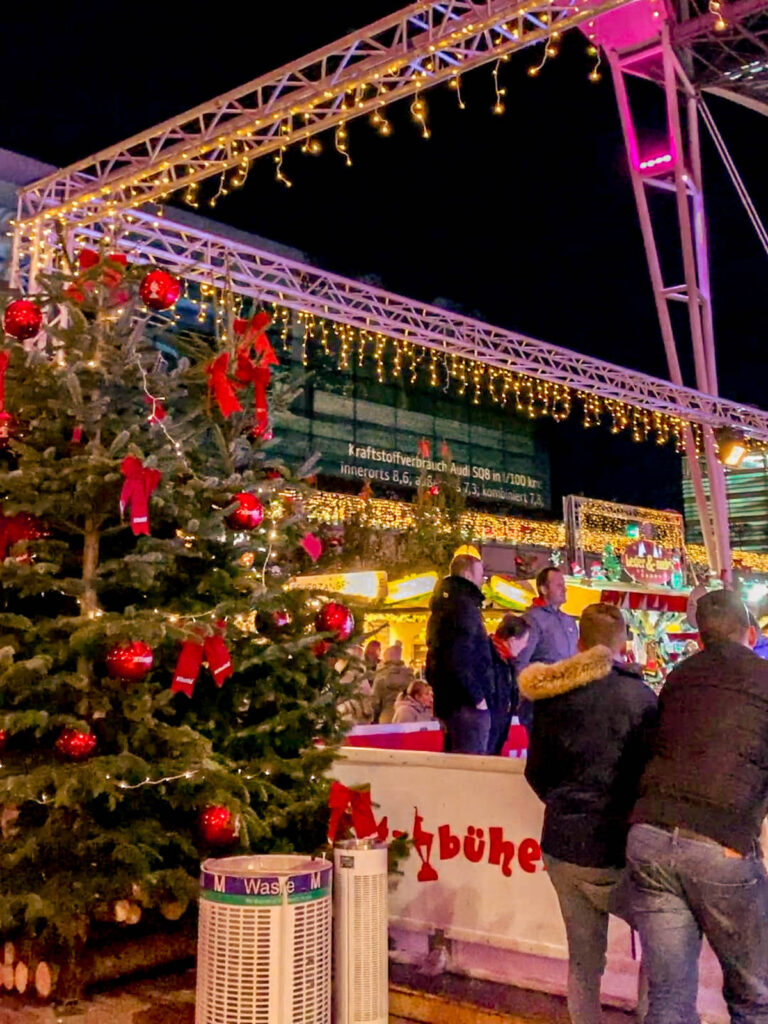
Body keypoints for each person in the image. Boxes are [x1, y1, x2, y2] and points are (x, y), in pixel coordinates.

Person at [627, 589, 768, 1024]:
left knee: (668, 997)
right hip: (719, 842)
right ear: (750, 631)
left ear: (701, 638)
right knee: (755, 996)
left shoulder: (679, 676)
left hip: (648, 835)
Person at [520, 602, 657, 1024]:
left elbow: (535, 772)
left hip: (561, 846)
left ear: (578, 642)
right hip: (615, 847)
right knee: (663, 940)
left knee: (583, 960)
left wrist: (566, 806)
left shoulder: (552, 697)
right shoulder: (641, 697)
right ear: (622, 645)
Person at [425, 553, 494, 754]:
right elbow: (459, 658)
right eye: (481, 574)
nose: (483, 580)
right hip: (466, 705)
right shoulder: (463, 607)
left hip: (450, 702)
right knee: (470, 767)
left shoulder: (445, 605)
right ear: (467, 574)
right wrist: (478, 698)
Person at [516, 566, 579, 729]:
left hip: (567, 700)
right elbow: (520, 661)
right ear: (543, 589)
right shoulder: (532, 620)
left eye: (564, 584)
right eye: (558, 585)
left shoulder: (569, 621)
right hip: (541, 702)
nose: (564, 589)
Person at [487, 614, 530, 755]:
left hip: (500, 725)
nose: (525, 646)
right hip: (489, 724)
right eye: (524, 641)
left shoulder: (508, 661)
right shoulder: (488, 657)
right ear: (511, 640)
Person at [370, 643, 412, 724]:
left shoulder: (381, 676)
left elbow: (375, 703)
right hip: (407, 716)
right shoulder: (410, 676)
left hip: (386, 717)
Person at [336, 644, 374, 725]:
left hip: (346, 720)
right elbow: (368, 699)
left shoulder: (343, 677)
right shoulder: (363, 679)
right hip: (361, 721)